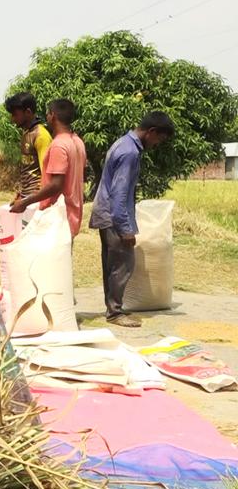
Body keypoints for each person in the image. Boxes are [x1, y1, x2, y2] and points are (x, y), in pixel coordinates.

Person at [89, 111, 175, 328]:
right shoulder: (129, 153)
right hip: (113, 215)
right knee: (123, 263)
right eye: (159, 139)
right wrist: (125, 228)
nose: (157, 144)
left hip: (106, 213)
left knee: (113, 264)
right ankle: (115, 312)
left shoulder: (123, 144)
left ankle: (112, 308)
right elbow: (119, 194)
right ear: (151, 132)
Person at [10, 99, 87, 238]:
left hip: (57, 217)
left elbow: (56, 185)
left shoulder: (58, 145)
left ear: (53, 115)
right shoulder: (78, 142)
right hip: (72, 215)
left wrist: (25, 202)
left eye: (47, 114)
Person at [4, 92, 52, 201]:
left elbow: (47, 174)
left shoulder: (41, 136)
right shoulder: (26, 133)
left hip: (37, 199)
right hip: (27, 197)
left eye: (15, 114)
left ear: (28, 112)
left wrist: (42, 201)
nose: (12, 119)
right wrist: (22, 193)